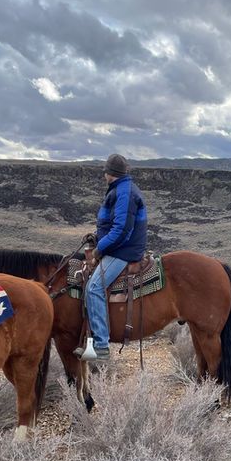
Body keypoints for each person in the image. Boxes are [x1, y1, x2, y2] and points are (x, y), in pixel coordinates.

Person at [81, 153, 148, 361]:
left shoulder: (124, 193)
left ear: (109, 173)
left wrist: (100, 248)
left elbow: (121, 231)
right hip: (120, 247)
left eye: (105, 171)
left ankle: (101, 345)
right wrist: (97, 236)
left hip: (124, 251)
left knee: (93, 288)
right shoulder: (121, 189)